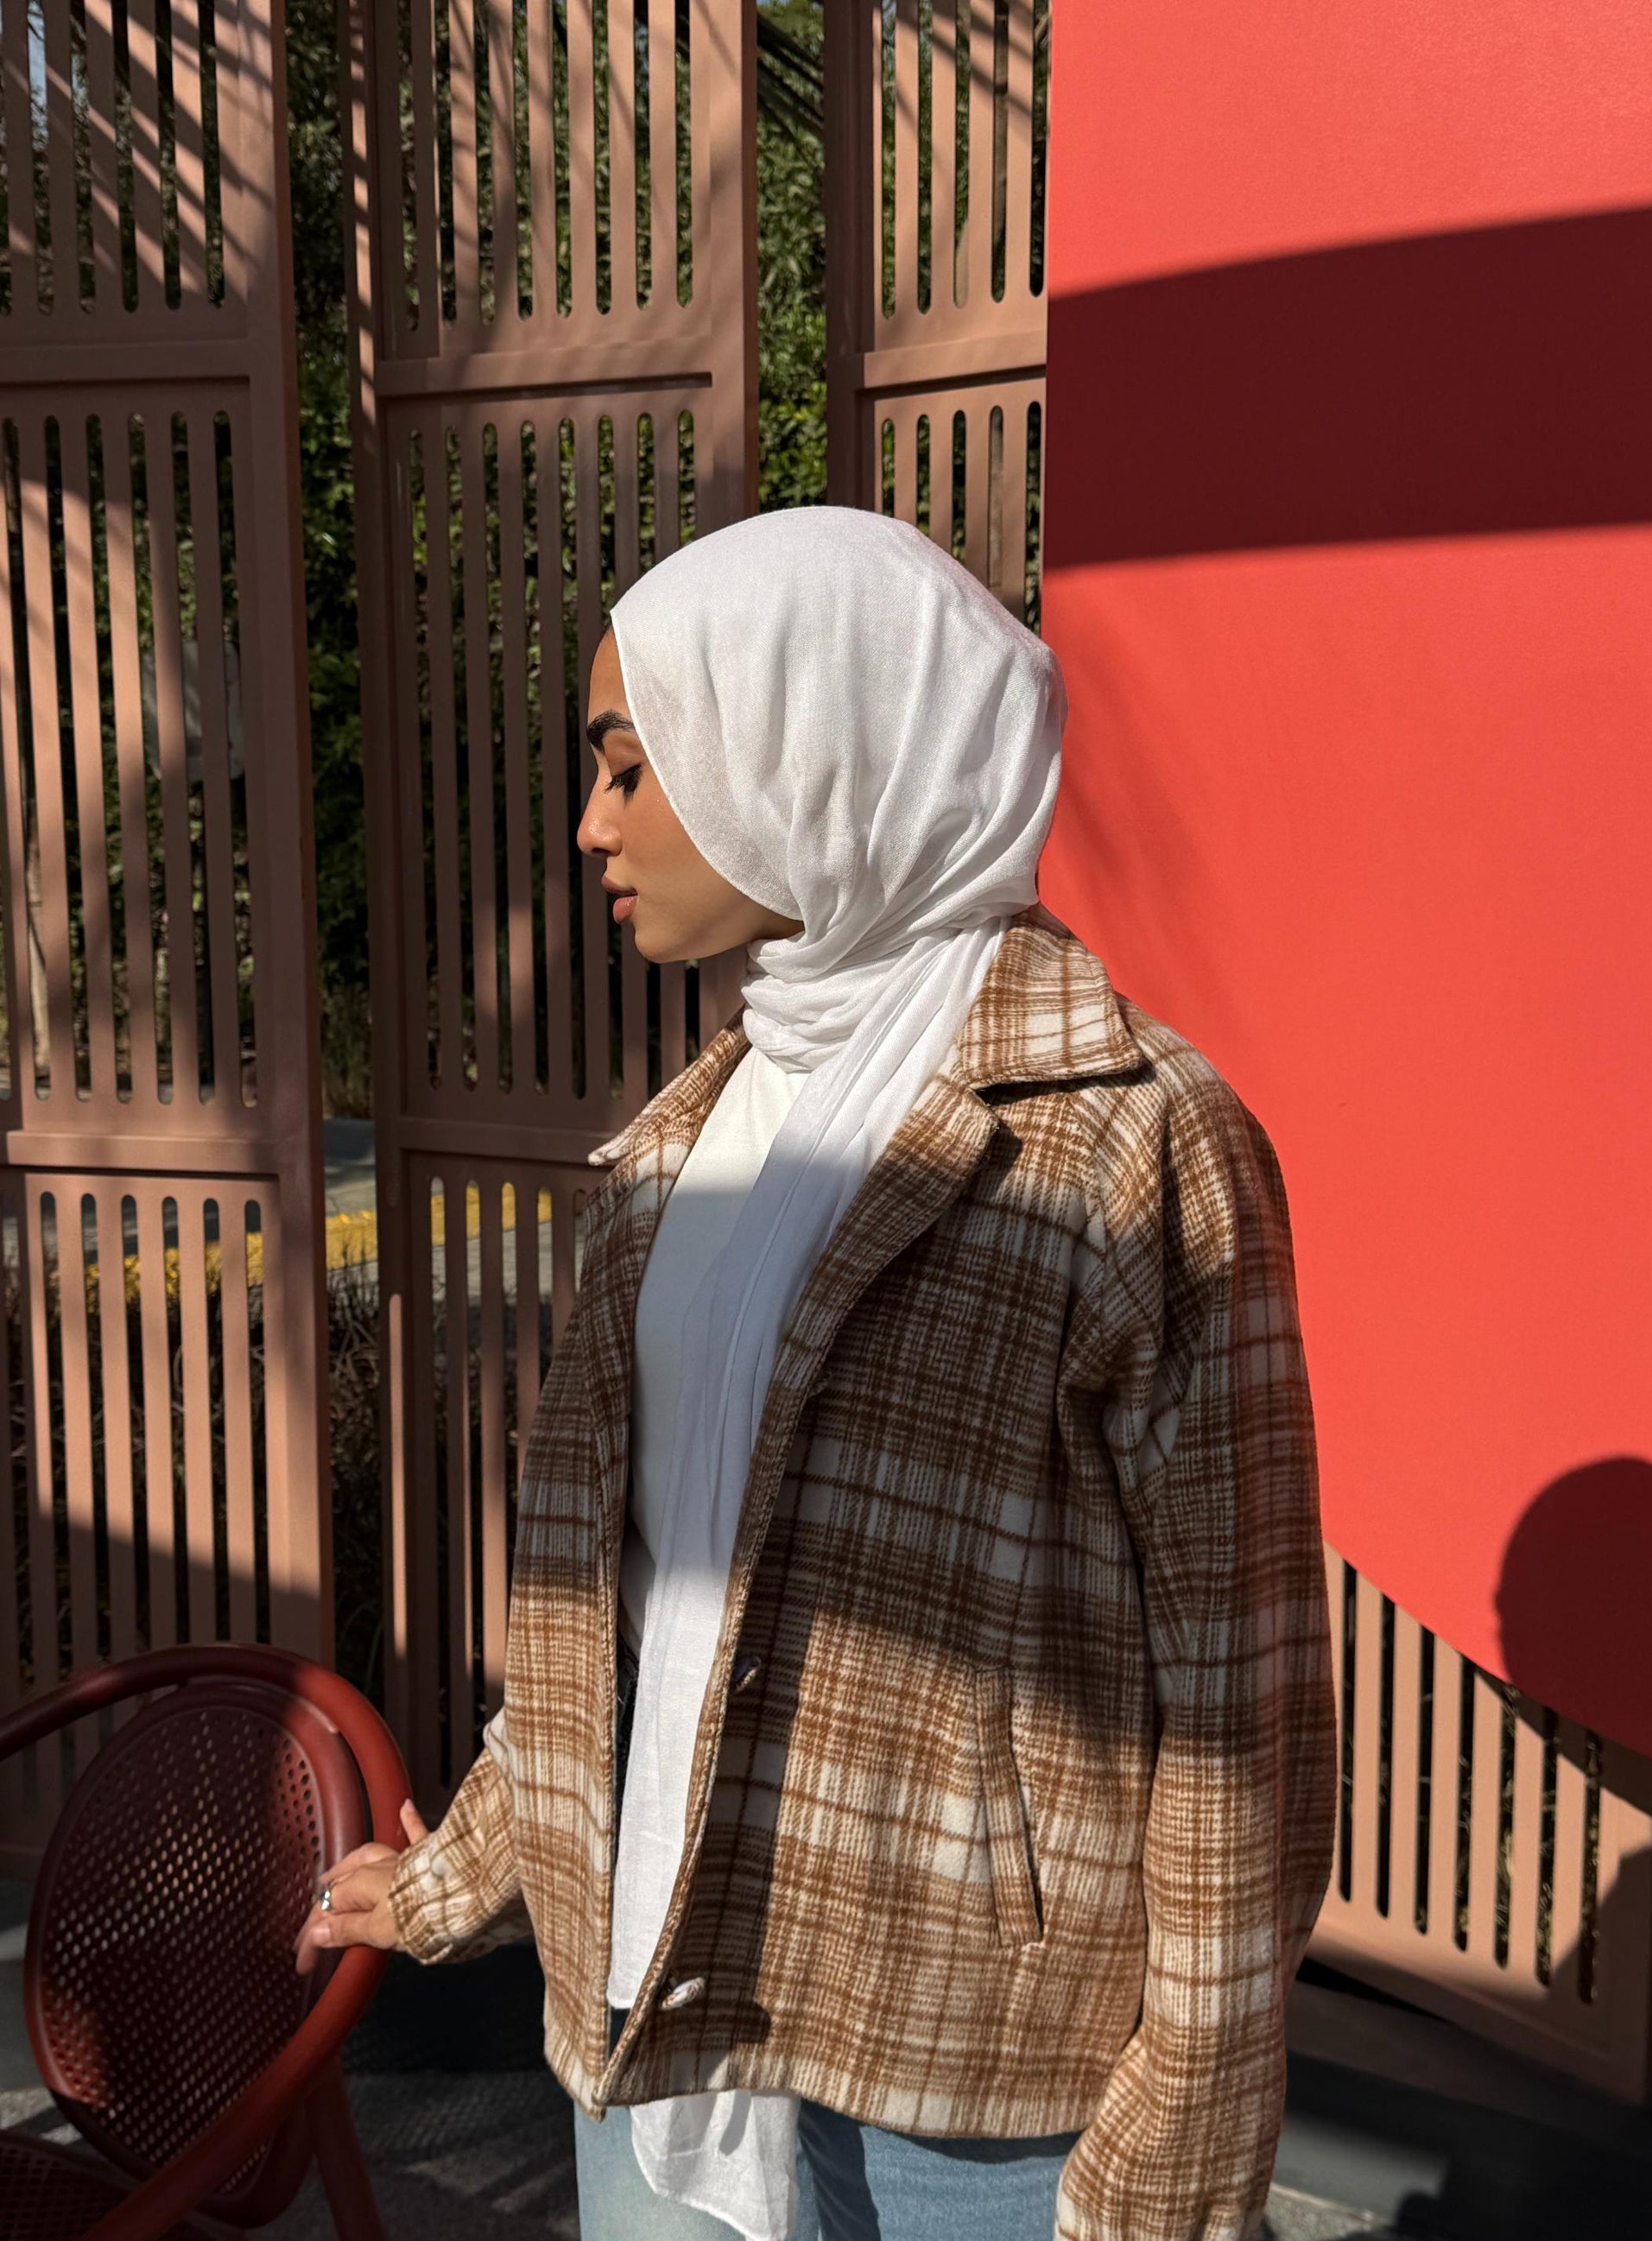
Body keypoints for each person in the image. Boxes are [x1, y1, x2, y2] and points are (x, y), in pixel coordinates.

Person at [296, 507, 1337, 2241]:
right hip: (654, 2003)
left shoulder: (1134, 1147)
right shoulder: (673, 1155)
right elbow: (621, 1612)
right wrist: (453, 1874)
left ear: (803, 754)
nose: (593, 825)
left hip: (973, 2087)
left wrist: (1188, 2123)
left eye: (630, 767)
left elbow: (1243, 1693)